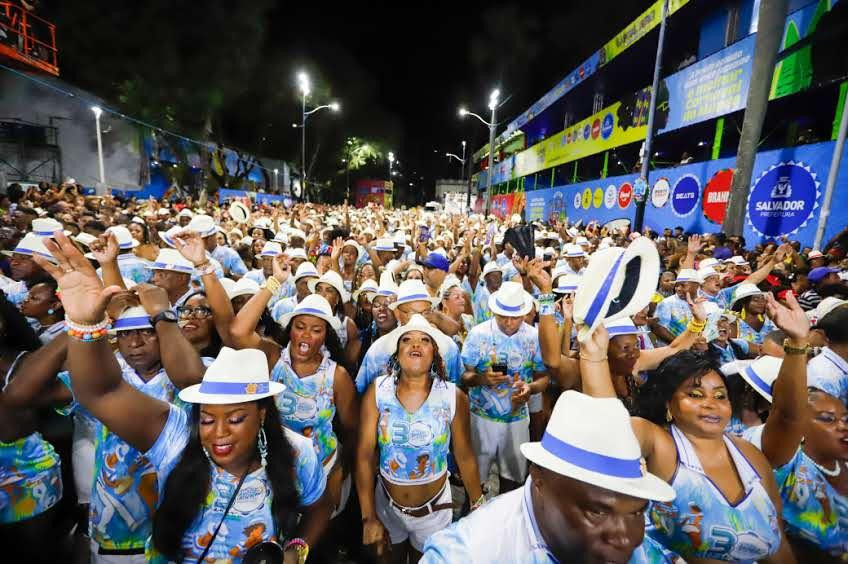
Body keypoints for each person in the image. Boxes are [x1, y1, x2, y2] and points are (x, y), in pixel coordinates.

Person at [33, 231, 332, 562]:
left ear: (262, 414)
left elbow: (319, 507)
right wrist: (85, 326)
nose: (217, 433)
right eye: (206, 418)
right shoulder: (176, 439)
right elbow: (102, 392)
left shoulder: (296, 453)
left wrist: (296, 550)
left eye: (235, 419)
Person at [577, 326, 795, 562]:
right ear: (669, 404)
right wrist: (594, 357)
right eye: (695, 395)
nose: (711, 404)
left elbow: (777, 543)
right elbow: (611, 429)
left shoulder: (750, 457)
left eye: (720, 396)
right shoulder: (659, 444)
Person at [420, 390, 677, 563]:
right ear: (540, 480)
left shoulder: (644, 552)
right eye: (598, 512)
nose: (626, 538)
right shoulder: (468, 553)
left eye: (636, 513)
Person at [356, 315, 482, 563]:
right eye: (407, 340)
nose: (416, 345)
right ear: (397, 352)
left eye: (425, 340)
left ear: (434, 353)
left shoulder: (452, 397)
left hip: (434, 512)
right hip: (386, 507)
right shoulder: (377, 392)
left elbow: (464, 455)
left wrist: (478, 504)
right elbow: (363, 455)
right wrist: (368, 515)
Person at [231, 287, 358, 519]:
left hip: (322, 469)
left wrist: (340, 472)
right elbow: (238, 331)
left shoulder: (336, 376)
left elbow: (351, 431)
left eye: (316, 330)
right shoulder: (272, 358)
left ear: (326, 334)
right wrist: (273, 283)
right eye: (300, 327)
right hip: (275, 466)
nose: (307, 336)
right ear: (290, 330)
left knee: (313, 538)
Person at [461, 281, 548, 494]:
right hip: (481, 420)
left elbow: (544, 378)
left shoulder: (533, 337)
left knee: (513, 481)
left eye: (515, 317)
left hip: (516, 420)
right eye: (502, 317)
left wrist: (530, 388)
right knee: (475, 481)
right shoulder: (478, 334)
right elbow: (465, 376)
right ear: (493, 311)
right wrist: (482, 379)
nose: (509, 323)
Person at [356, 280, 463, 395]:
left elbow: (456, 392)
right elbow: (362, 392)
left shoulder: (448, 348)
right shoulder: (378, 350)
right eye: (412, 313)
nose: (418, 319)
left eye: (425, 313)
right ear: (397, 313)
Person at [309, 270, 361, 371]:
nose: (322, 294)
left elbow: (349, 364)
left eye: (329, 290)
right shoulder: (304, 318)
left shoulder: (348, 325)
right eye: (319, 290)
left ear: (337, 298)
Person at [653, 269, 700, 345]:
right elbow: (659, 328)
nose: (678, 288)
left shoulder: (703, 303)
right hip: (672, 352)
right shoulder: (667, 303)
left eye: (683, 285)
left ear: (696, 286)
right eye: (677, 285)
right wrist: (681, 344)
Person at [18, 278, 64, 344]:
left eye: (33, 298)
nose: (25, 300)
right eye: (28, 296)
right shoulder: (37, 328)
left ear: (54, 306)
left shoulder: (61, 335)